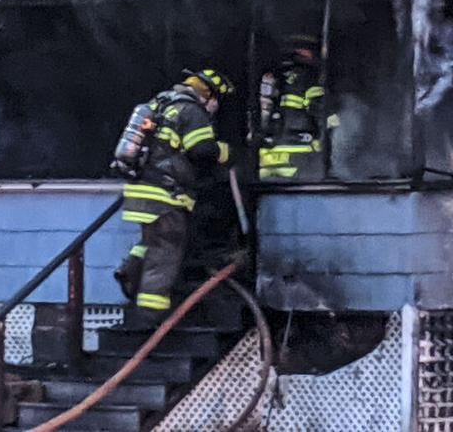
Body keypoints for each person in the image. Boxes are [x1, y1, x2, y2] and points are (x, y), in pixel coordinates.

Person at [113, 67, 233, 326]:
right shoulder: (192, 111)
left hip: (140, 192)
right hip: (166, 196)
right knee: (165, 254)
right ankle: (150, 316)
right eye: (215, 101)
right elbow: (202, 151)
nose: (214, 107)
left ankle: (130, 271)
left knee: (151, 242)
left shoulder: (160, 104)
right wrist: (226, 152)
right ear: (209, 95)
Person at [258, 35, 325, 181]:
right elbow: (319, 110)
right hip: (299, 155)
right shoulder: (308, 77)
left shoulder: (272, 76)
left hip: (268, 158)